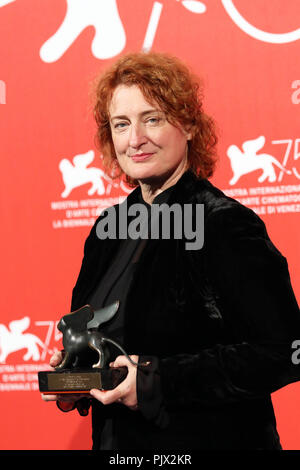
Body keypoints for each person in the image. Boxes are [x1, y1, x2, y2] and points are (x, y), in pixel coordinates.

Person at [42, 52, 300, 450]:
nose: (135, 139)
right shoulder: (105, 231)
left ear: (191, 125)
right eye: (121, 124)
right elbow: (99, 337)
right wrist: (73, 378)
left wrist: (156, 379)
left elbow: (284, 350)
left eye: (153, 119)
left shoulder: (224, 223)